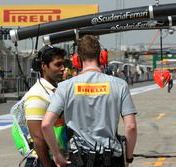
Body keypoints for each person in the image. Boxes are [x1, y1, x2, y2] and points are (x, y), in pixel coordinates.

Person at [42, 35, 137, 167]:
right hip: (111, 159)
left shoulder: (65, 87)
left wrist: (57, 155)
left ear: (77, 59)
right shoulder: (119, 85)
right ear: (101, 57)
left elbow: (46, 124)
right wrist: (129, 157)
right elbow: (131, 127)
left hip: (79, 159)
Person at [22, 45, 66, 167]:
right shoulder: (37, 95)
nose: (63, 68)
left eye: (63, 64)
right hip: (42, 161)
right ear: (43, 66)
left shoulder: (54, 91)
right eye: (57, 65)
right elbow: (38, 139)